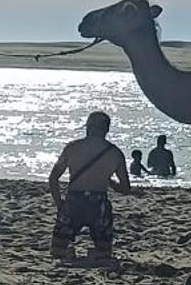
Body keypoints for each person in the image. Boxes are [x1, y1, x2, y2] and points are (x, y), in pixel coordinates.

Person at [48, 111, 132, 260]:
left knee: (57, 251)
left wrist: (59, 203)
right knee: (104, 253)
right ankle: (94, 253)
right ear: (106, 129)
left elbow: (53, 177)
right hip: (98, 202)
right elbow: (125, 188)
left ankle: (69, 252)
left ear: (88, 127)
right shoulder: (115, 152)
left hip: (74, 200)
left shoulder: (73, 147)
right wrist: (109, 181)